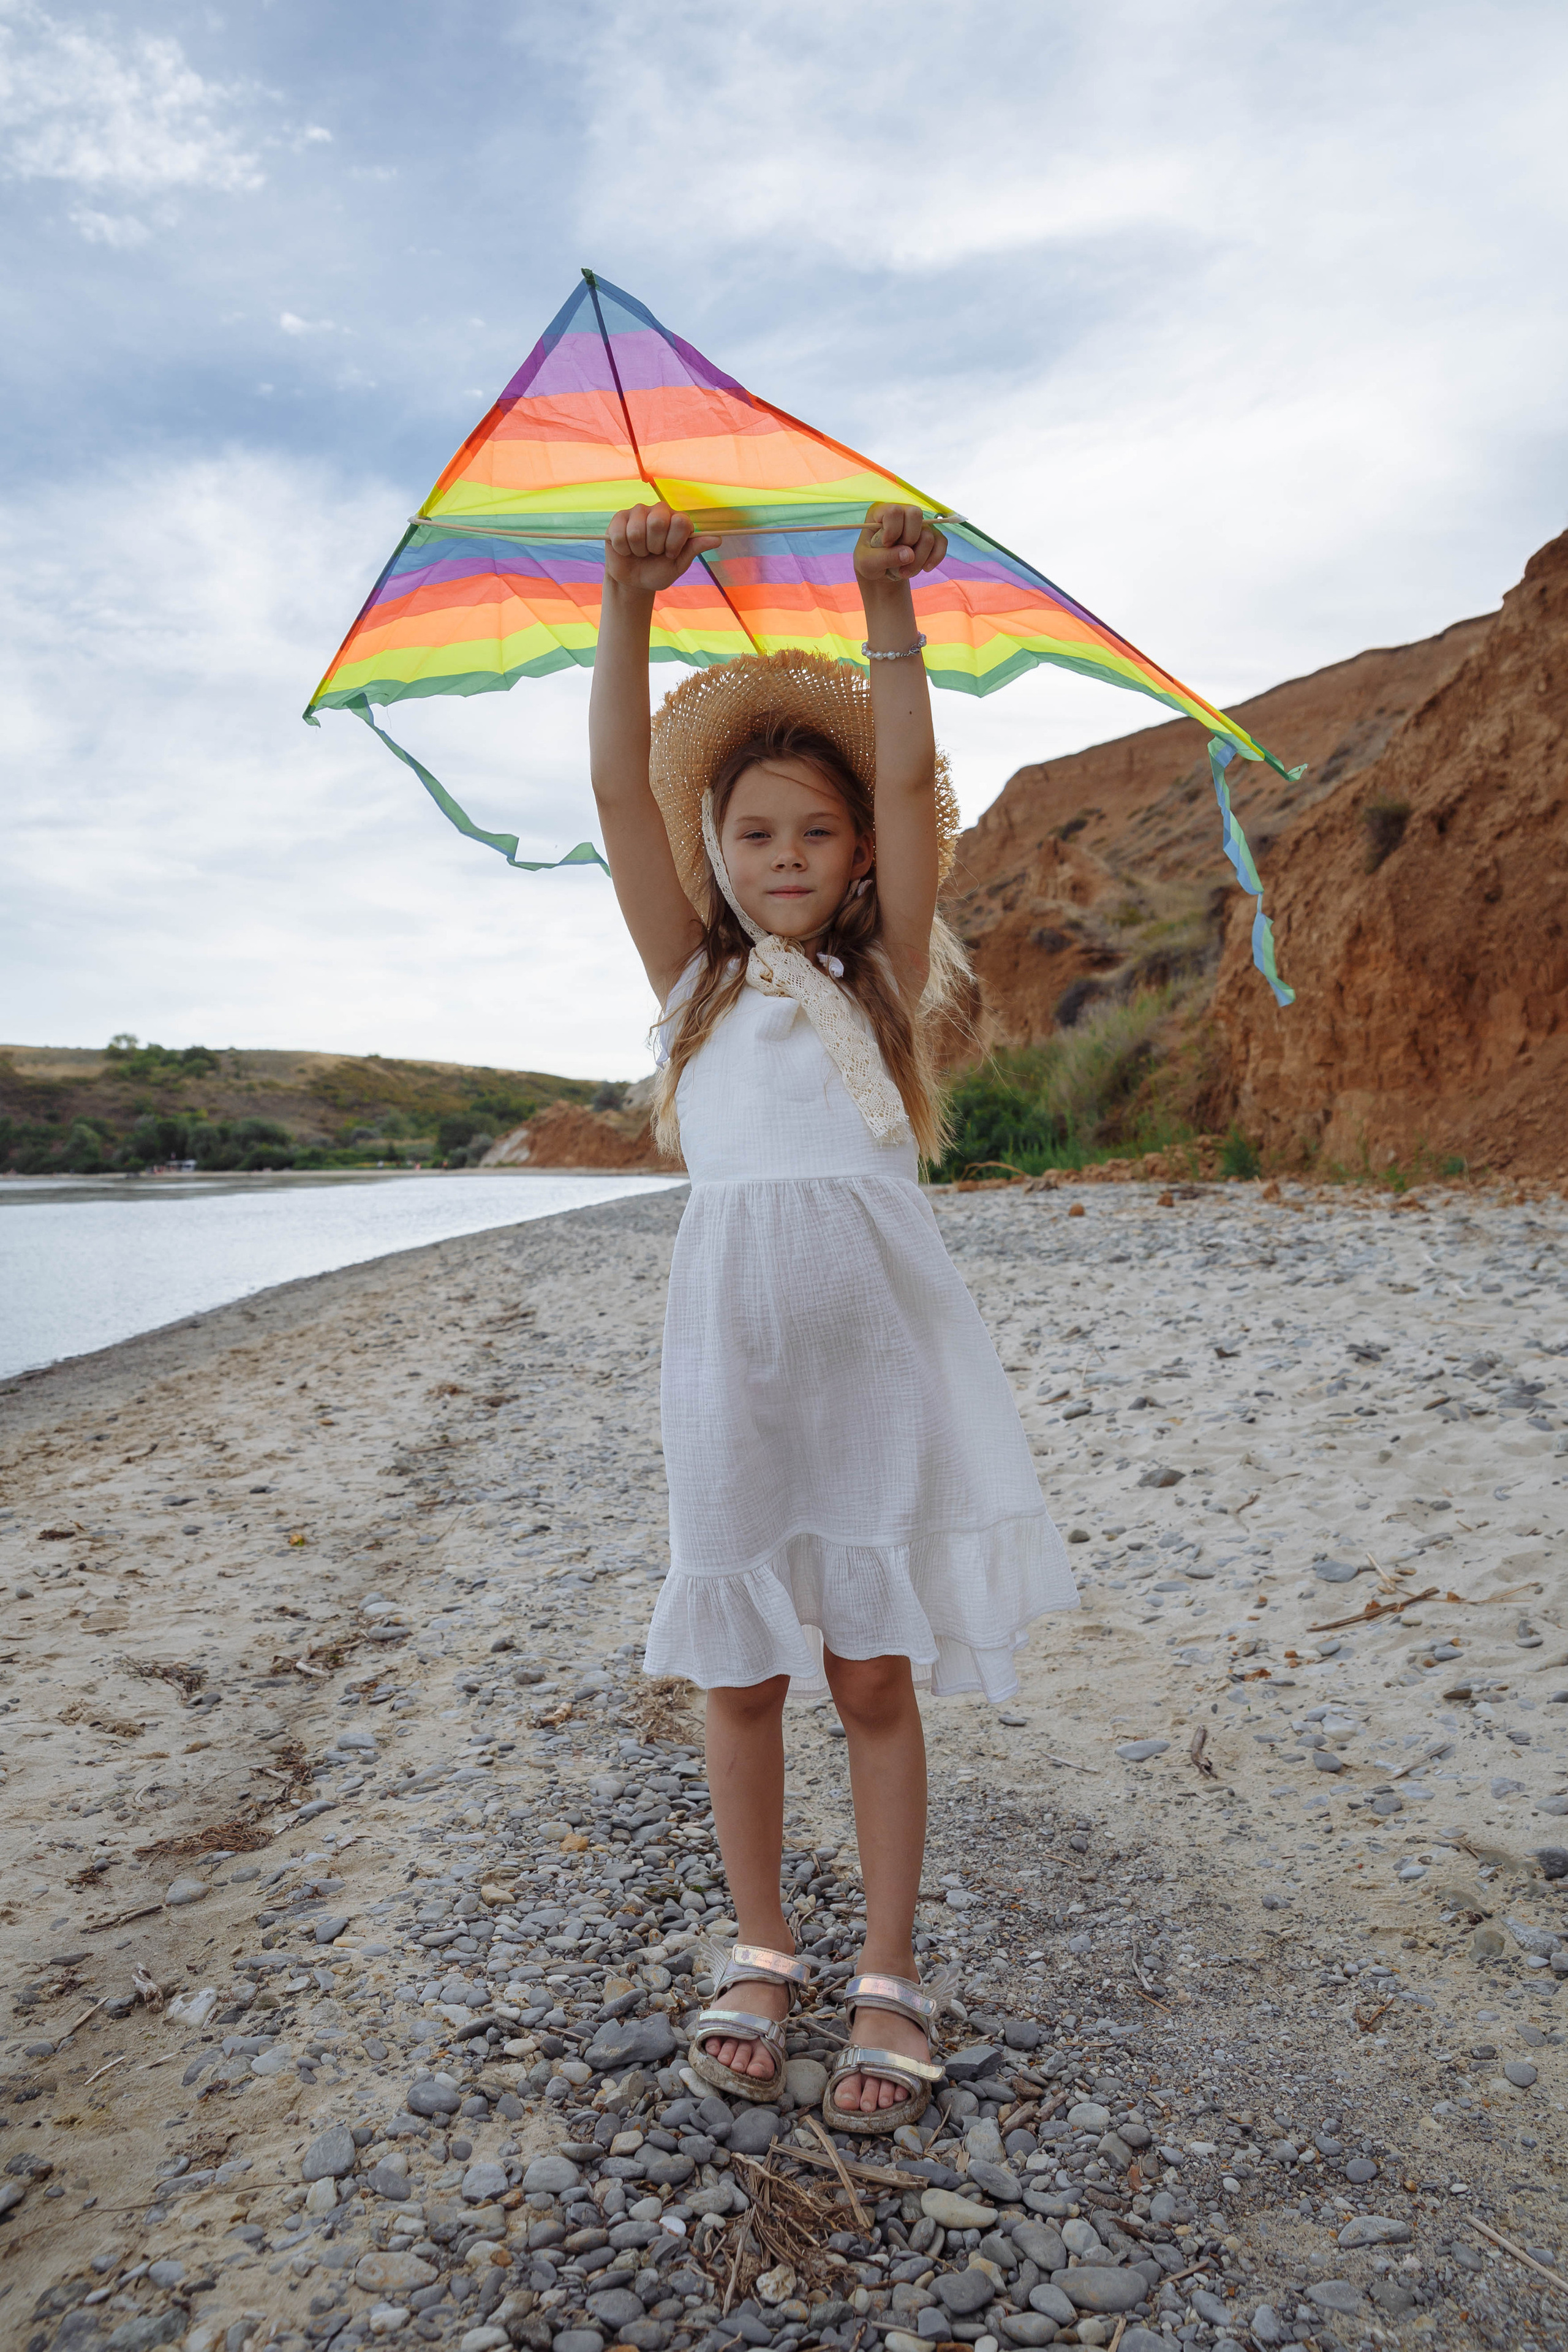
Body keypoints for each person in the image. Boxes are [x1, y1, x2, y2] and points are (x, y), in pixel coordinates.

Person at [589, 500, 1079, 2135]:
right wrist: (625, 602)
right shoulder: (695, 987)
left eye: (815, 832)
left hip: (871, 1363)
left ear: (860, 853)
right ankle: (760, 1950)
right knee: (739, 1672)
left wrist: (887, 607)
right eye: (754, 835)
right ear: (716, 852)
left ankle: (886, 1967)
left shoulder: (884, 977)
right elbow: (616, 792)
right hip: (728, 1363)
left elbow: (919, 788)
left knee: (871, 1673)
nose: (785, 856)